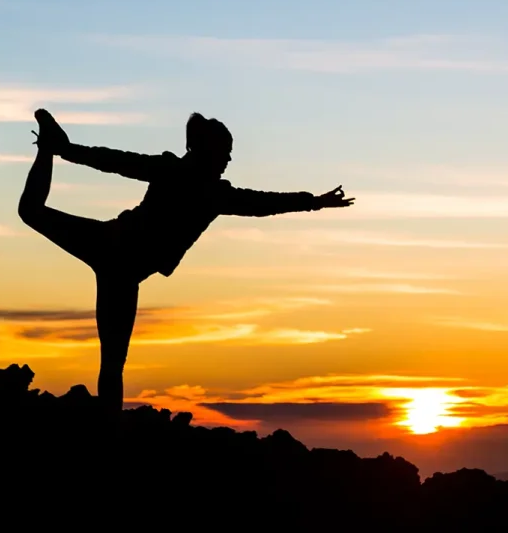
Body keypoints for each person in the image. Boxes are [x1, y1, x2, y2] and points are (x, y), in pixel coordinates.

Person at [18, 108, 354, 412]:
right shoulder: (183, 177)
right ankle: (49, 146)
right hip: (112, 247)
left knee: (113, 362)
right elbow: (117, 161)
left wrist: (314, 202)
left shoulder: (211, 192)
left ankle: (110, 435)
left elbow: (263, 203)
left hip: (120, 268)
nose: (228, 160)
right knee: (112, 362)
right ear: (205, 150)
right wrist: (67, 150)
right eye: (225, 152)